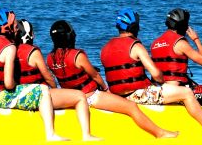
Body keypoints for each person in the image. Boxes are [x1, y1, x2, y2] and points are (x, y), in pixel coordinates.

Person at [0, 9, 97, 142]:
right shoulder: (9, 47)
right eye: (14, 25)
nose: (17, 28)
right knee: (42, 90)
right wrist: (16, 87)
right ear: (8, 28)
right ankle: (51, 134)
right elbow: (8, 84)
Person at [100, 8, 202, 135]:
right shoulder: (136, 46)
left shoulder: (105, 48)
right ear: (134, 27)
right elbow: (156, 74)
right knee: (186, 92)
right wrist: (161, 82)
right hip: (138, 94)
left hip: (118, 95)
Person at [46, 20, 179, 139]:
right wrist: (105, 89)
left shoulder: (49, 58)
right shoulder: (77, 55)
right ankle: (160, 133)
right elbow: (95, 76)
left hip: (71, 98)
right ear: (69, 36)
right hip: (91, 96)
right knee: (131, 107)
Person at [13, 18, 101, 141]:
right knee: (79, 96)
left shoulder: (10, 50)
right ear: (30, 35)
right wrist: (56, 90)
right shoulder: (32, 52)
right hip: (38, 96)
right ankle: (86, 135)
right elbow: (48, 78)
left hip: (19, 96)